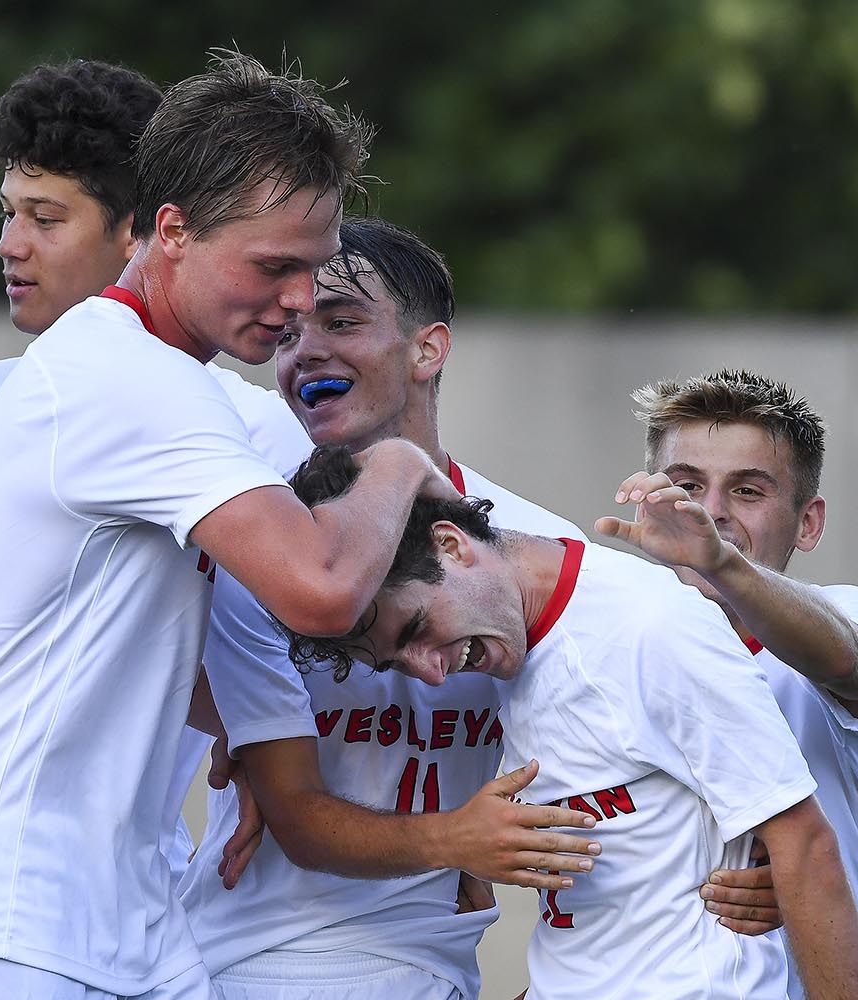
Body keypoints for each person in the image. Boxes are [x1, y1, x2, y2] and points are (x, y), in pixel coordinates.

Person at [0, 52, 455, 999]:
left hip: (124, 919)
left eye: (314, 270)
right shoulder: (126, 376)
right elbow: (320, 587)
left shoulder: (163, 377)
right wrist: (400, 460)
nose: (301, 302)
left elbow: (119, 644)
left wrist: (251, 737)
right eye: (275, 267)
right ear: (171, 231)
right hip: (0, 922)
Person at [181, 218, 601, 1000]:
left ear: (428, 349)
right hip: (258, 961)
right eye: (288, 334)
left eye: (341, 322)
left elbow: (594, 756)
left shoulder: (540, 546)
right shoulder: (259, 547)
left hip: (435, 966)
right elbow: (297, 808)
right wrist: (451, 838)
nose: (306, 351)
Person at [279, 447, 858, 1000]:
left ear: (452, 544)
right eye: (393, 661)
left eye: (415, 631)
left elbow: (808, 847)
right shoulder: (512, 647)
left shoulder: (648, 626)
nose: (427, 673)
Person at [597, 369, 858, 999]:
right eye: (686, 485)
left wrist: (805, 881)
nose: (709, 513)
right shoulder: (605, 646)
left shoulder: (853, 614)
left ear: (809, 523)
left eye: (748, 491)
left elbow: (848, 660)